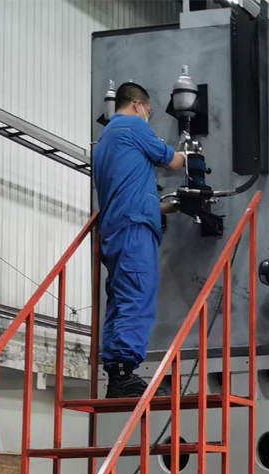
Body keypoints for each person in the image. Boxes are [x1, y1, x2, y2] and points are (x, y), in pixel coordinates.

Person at [93, 81, 186, 397]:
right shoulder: (133, 126)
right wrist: (189, 155)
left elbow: (125, 191)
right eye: (149, 110)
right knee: (137, 294)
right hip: (135, 230)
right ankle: (123, 373)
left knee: (120, 298)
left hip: (115, 230)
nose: (148, 115)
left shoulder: (104, 141)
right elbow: (172, 161)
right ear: (137, 105)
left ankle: (115, 374)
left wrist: (166, 206)